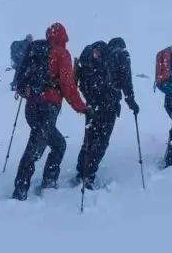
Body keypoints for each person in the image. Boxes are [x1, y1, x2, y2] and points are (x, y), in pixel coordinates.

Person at [12, 23, 91, 201]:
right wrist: (82, 108)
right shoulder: (61, 54)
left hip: (31, 107)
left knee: (57, 145)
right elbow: (68, 86)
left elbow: (23, 79)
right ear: (63, 38)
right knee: (34, 150)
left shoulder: (36, 50)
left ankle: (47, 182)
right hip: (48, 108)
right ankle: (20, 192)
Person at [74, 37, 139, 189]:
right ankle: (88, 176)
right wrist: (131, 102)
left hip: (91, 103)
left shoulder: (92, 52)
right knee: (102, 140)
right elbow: (126, 81)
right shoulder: (121, 55)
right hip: (108, 103)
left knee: (89, 138)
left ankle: (81, 172)